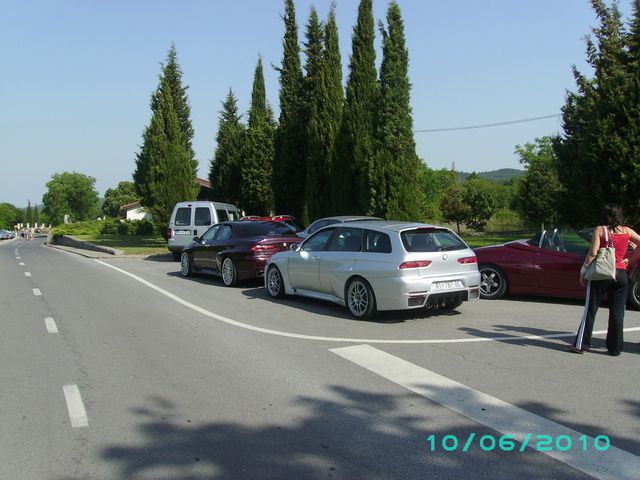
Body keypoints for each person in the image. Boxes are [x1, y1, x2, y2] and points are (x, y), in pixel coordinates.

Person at [571, 204, 640, 355]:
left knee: (591, 309)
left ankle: (582, 344)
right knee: (617, 312)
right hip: (620, 273)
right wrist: (630, 259)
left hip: (601, 273)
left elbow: (593, 252)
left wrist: (583, 271)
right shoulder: (627, 231)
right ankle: (615, 348)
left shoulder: (600, 230)